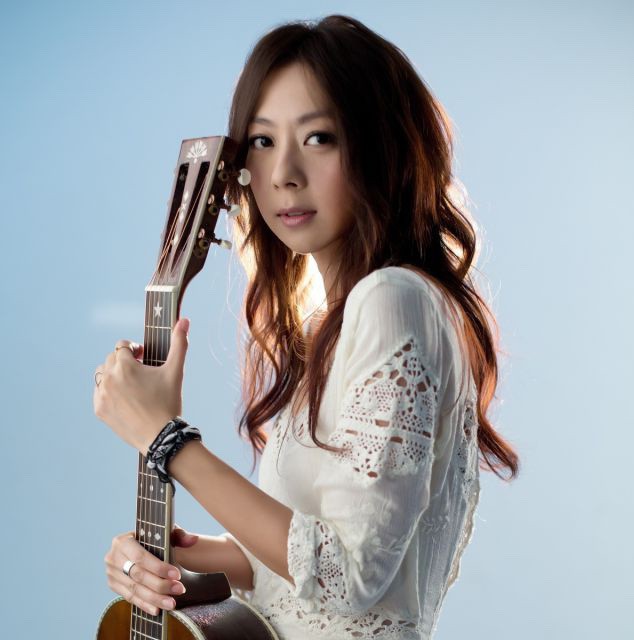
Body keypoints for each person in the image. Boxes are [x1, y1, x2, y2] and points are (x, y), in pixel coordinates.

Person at [94, 14, 519, 639]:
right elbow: (303, 569)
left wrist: (166, 440)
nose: (283, 173)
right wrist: (169, 562)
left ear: (382, 147)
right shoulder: (333, 324)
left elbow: (351, 574)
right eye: (262, 141)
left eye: (319, 137)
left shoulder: (391, 298)